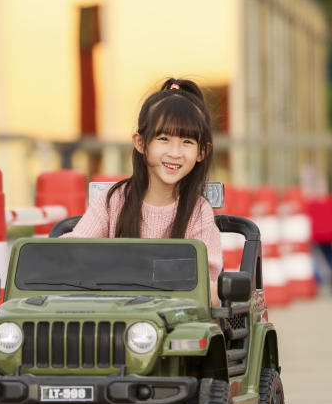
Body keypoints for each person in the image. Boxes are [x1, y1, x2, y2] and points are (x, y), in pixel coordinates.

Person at [64, 77, 223, 302]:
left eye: (187, 142)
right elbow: (76, 248)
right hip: (113, 313)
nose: (175, 153)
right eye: (163, 138)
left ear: (202, 152)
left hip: (173, 320)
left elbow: (207, 286)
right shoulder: (114, 201)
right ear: (141, 143)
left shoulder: (198, 211)